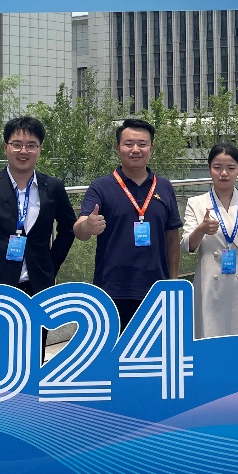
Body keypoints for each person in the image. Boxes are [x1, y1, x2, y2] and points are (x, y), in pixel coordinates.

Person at [0, 116, 76, 364]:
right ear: (5, 147)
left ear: (40, 149)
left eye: (31, 145)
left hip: (36, 285)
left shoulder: (53, 186)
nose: (24, 151)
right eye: (17, 144)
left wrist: (50, 265)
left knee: (31, 357)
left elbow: (68, 228)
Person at [73, 117, 181, 329]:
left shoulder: (164, 187)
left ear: (151, 148)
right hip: (112, 289)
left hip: (156, 288)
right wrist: (87, 226)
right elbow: (80, 229)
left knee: (153, 348)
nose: (136, 150)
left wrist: (173, 281)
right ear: (118, 148)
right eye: (129, 144)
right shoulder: (101, 187)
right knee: (115, 348)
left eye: (142, 144)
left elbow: (172, 237)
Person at [183, 143, 238, 338]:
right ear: (209, 169)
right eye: (217, 167)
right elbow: (187, 246)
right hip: (210, 285)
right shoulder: (196, 203)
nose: (224, 173)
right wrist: (201, 229)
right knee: (211, 339)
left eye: (230, 168)